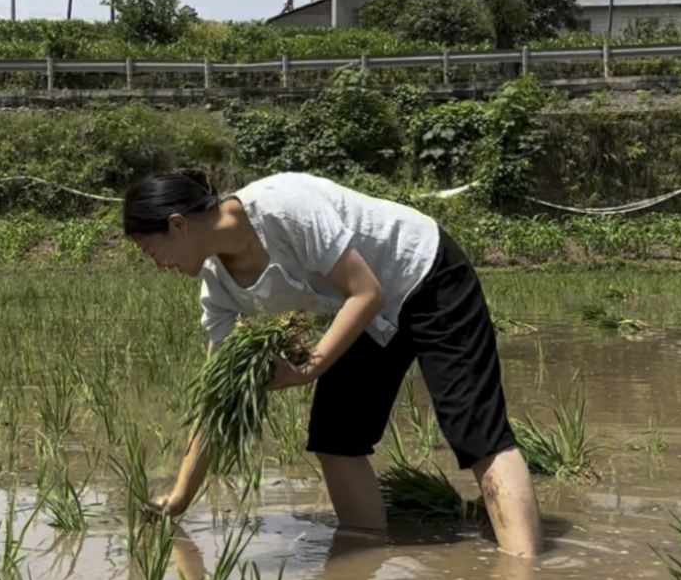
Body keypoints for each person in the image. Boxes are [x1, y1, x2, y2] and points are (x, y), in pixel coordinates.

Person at [122, 170, 543, 558]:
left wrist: (308, 370)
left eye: (149, 249)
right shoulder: (218, 289)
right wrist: (178, 499)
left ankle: (525, 576)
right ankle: (363, 555)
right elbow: (217, 404)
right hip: (363, 314)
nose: (157, 264)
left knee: (475, 432)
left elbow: (367, 292)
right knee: (336, 439)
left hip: (426, 275)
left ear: (177, 224)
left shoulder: (283, 205)